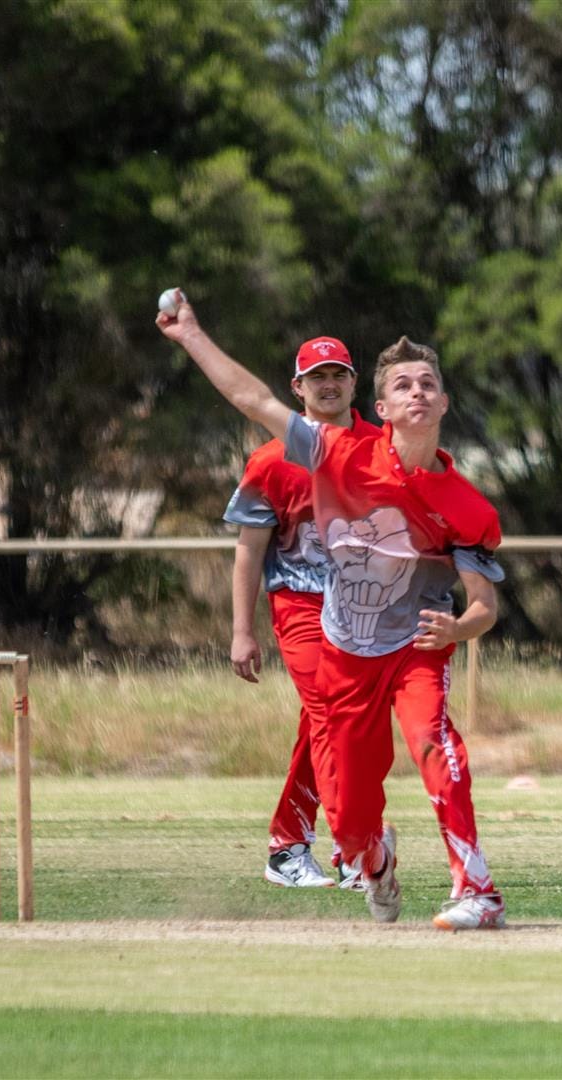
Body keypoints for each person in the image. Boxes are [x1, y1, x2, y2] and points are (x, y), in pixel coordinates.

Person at [159, 296, 508, 931]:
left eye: (430, 384)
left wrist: (460, 626)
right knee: (348, 822)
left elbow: (484, 604)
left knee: (434, 741)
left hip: (415, 646)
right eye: (403, 384)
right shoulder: (335, 452)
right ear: (382, 408)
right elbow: (253, 400)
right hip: (347, 651)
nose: (418, 392)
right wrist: (191, 335)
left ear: (445, 404)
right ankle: (371, 862)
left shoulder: (468, 506)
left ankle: (476, 889)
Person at [224, 336, 382, 889]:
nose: (329, 384)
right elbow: (249, 549)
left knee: (334, 722)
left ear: (354, 381)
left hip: (366, 609)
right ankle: (355, 850)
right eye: (317, 377)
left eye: (338, 373)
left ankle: (286, 847)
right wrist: (243, 631)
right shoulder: (271, 460)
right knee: (334, 715)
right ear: (298, 388)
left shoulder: (381, 448)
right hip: (302, 604)